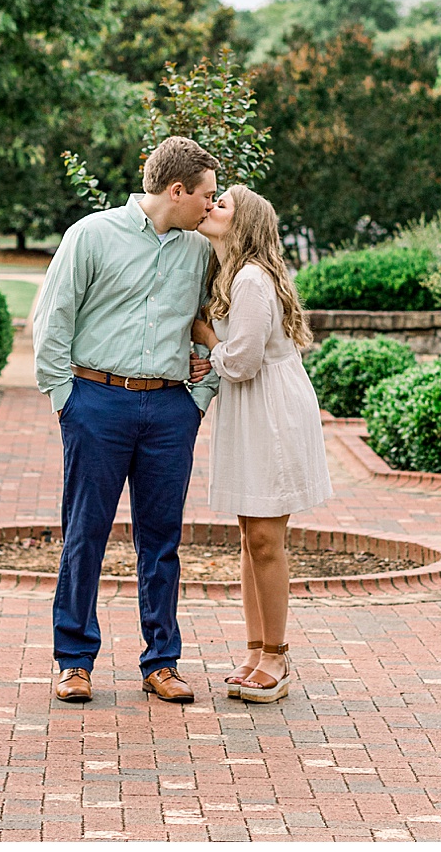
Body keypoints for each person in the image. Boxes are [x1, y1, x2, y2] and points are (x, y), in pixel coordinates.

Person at [33, 136, 220, 705]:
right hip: (96, 403)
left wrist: (200, 396)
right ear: (177, 190)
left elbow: (213, 322)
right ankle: (73, 660)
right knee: (85, 534)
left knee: (161, 540)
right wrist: (65, 399)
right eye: (207, 196)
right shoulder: (90, 235)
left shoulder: (200, 250)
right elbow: (52, 319)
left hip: (170, 409)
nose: (212, 206)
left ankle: (161, 662)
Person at [189, 185, 332, 703]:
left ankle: (277, 655)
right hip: (251, 410)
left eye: (220, 204)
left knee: (267, 540)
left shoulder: (251, 279)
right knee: (251, 537)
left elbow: (243, 361)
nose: (210, 208)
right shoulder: (232, 274)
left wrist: (206, 338)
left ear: (244, 223)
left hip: (270, 413)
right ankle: (255, 650)